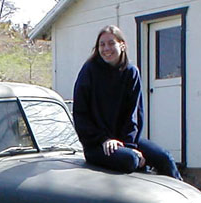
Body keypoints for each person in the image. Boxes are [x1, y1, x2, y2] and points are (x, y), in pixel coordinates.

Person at [73, 25, 182, 180]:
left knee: (165, 157)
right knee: (130, 160)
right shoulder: (89, 71)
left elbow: (134, 114)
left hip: (125, 139)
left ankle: (186, 201)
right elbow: (80, 114)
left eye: (111, 43)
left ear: (122, 45)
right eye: (102, 44)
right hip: (97, 144)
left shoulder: (131, 72)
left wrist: (129, 145)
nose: (106, 48)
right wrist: (104, 139)